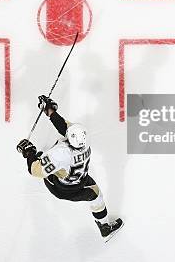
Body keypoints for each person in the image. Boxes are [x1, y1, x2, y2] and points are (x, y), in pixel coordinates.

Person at [16, 95, 124, 242]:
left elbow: (35, 171)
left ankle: (43, 160)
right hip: (80, 180)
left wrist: (29, 153)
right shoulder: (85, 141)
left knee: (42, 160)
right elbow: (66, 127)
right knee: (96, 195)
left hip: (59, 187)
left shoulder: (60, 153)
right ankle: (104, 227)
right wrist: (50, 111)